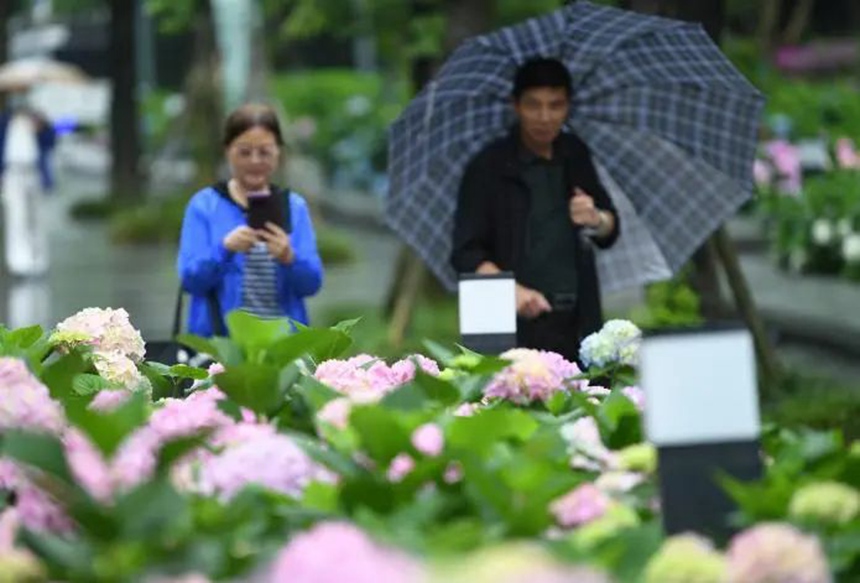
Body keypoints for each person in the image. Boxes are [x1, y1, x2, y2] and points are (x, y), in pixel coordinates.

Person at [450, 57, 620, 363]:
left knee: (586, 402)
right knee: (505, 401)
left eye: (555, 105)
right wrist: (510, 291)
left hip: (575, 322)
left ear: (568, 106)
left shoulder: (574, 152)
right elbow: (466, 252)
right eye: (534, 105)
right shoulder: (488, 166)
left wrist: (595, 218)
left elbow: (610, 227)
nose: (544, 117)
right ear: (516, 105)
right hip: (507, 323)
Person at [177, 103, 323, 337]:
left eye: (265, 151)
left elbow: (312, 284)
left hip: (283, 347)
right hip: (221, 348)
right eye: (244, 152)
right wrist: (224, 249)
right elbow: (190, 281)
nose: (255, 160)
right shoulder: (204, 205)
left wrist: (289, 258)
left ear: (278, 152)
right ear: (227, 151)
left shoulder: (294, 207)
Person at [0, 91, 57, 278]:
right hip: (13, 173)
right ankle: (19, 263)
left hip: (34, 172)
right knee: (17, 218)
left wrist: (43, 125)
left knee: (37, 219)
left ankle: (38, 261)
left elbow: (50, 142)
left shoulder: (38, 122)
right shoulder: (5, 121)